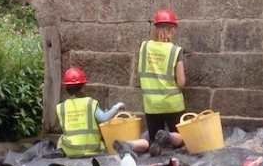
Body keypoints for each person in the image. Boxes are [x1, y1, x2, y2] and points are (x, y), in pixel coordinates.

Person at [113, 9, 188, 157]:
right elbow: (181, 82)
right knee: (181, 139)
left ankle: (130, 144)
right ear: (172, 29)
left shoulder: (144, 47)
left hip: (152, 104)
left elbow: (139, 71)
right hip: (173, 103)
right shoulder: (175, 50)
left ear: (156, 27)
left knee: (152, 140)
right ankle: (168, 136)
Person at [55, 67, 125, 157]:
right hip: (92, 148)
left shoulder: (61, 107)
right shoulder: (89, 103)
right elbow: (104, 118)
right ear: (83, 87)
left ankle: (59, 150)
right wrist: (116, 107)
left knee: (61, 138)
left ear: (67, 88)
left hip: (71, 150)